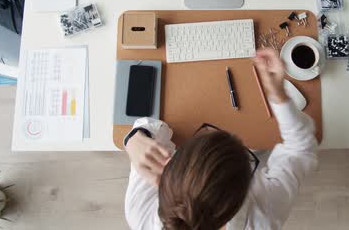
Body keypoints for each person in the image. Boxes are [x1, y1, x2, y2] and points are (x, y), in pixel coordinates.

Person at [123, 49, 319, 229]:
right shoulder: (264, 214)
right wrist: (279, 95)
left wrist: (135, 138)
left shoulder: (140, 216)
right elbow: (301, 148)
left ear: (168, 171)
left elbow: (157, 129)